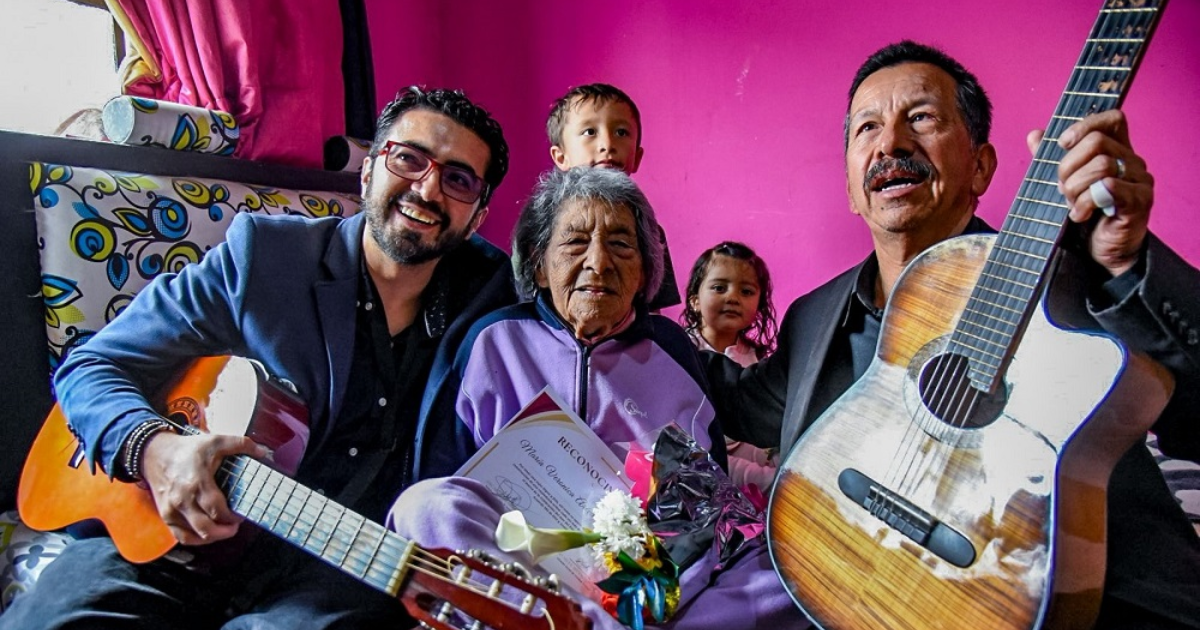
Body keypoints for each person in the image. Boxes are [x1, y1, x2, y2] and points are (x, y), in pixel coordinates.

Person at [707, 40, 1200, 630]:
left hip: (1088, 607)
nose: (891, 144)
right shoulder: (816, 317)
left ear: (982, 166)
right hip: (857, 599)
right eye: (868, 127)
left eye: (921, 118)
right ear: (849, 186)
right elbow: (727, 403)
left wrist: (1129, 261)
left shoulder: (1079, 284)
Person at [0, 86, 517, 629]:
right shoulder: (265, 257)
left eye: (458, 179)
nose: (427, 187)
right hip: (161, 536)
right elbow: (92, 366)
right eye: (408, 159)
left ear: (478, 215)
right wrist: (153, 450)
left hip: (330, 572)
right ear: (368, 173)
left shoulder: (491, 300)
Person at [387, 166, 809, 630]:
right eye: (574, 242)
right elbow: (443, 475)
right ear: (538, 263)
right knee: (422, 504)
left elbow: (701, 517)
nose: (598, 263)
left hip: (640, 581)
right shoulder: (492, 340)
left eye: (621, 245)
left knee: (785, 573)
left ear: (646, 269)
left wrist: (648, 583)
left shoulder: (671, 352)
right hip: (517, 572)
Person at [547, 82, 682, 310]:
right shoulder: (543, 224)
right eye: (590, 132)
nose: (608, 144)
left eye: (621, 132)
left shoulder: (648, 230)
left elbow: (653, 310)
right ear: (561, 157)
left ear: (637, 157)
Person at [681, 241, 779, 492]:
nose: (733, 297)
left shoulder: (763, 363)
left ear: (758, 306)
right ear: (694, 300)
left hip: (760, 496)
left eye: (746, 291)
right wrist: (767, 480)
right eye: (719, 287)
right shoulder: (679, 356)